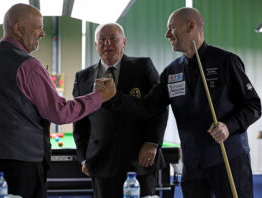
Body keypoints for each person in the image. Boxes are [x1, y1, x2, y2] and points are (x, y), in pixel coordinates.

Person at [96, 7, 261, 198]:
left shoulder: (225, 61)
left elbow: (254, 106)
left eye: (171, 28)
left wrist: (228, 126)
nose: (167, 34)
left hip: (228, 159)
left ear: (190, 26)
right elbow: (147, 107)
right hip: (193, 164)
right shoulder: (172, 71)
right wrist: (115, 98)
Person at [0, 3, 115, 198]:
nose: (43, 33)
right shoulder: (29, 66)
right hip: (19, 169)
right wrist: (99, 97)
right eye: (38, 27)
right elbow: (60, 112)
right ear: (19, 29)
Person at [72, 23, 168, 198]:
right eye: (102, 39)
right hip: (101, 162)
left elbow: (160, 106)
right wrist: (83, 157)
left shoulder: (143, 67)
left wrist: (152, 142)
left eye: (113, 39)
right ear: (95, 45)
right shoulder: (83, 77)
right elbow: (80, 122)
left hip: (139, 160)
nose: (107, 43)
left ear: (124, 42)